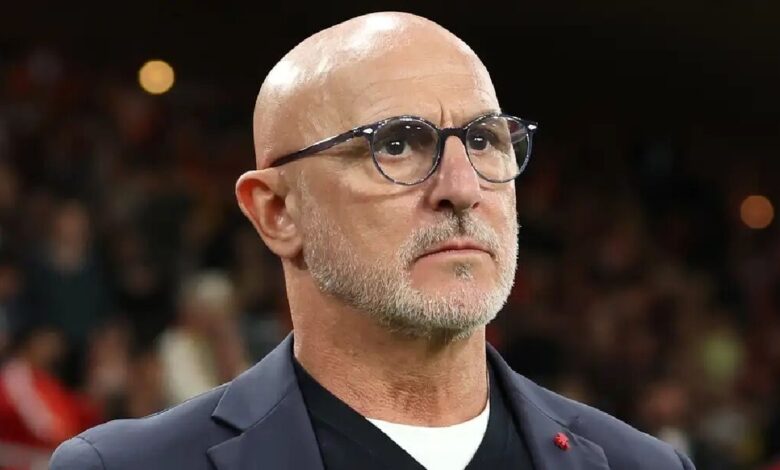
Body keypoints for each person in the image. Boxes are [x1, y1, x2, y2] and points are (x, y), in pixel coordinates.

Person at [49, 11, 696, 469]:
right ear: (278, 212)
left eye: (483, 140)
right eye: (396, 144)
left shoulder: (643, 465)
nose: (462, 186)